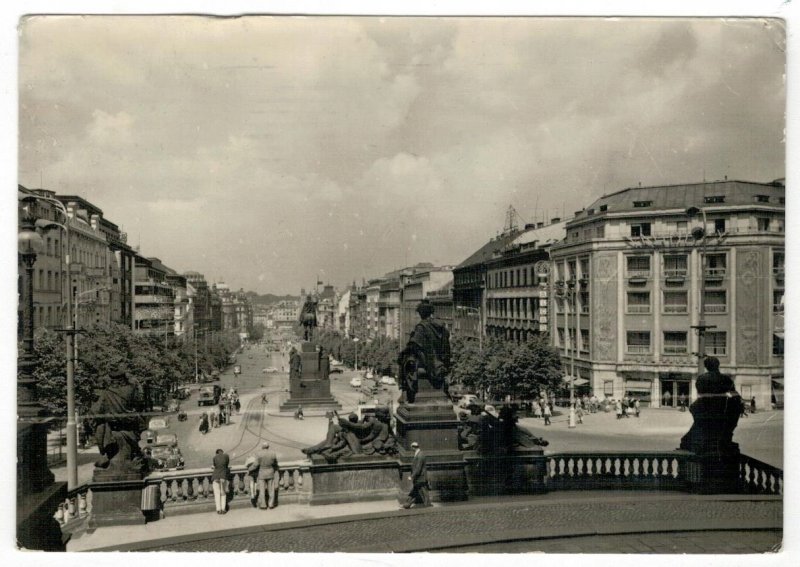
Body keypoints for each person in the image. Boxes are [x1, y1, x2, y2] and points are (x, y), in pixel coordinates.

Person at [397, 299, 451, 403]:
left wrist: (403, 353)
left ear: (421, 314)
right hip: (441, 362)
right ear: (431, 313)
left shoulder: (421, 327)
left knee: (404, 360)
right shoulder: (441, 327)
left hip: (428, 362)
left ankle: (406, 393)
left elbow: (414, 345)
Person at [249, 441, 279, 509]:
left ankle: (263, 505)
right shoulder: (273, 453)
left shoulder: (259, 454)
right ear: (268, 447)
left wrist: (250, 469)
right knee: (271, 490)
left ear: (262, 447)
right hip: (270, 472)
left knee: (262, 490)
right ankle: (271, 504)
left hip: (262, 473)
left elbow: (255, 465)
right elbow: (275, 464)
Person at [402, 441, 430, 509]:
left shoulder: (420, 455)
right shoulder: (418, 454)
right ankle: (408, 504)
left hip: (420, 477)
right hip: (419, 477)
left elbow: (418, 468)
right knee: (418, 491)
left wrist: (412, 476)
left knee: (422, 491)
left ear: (414, 447)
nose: (412, 449)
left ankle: (427, 505)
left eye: (412, 448)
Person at [211, 448, 230, 514]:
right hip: (223, 476)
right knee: (223, 493)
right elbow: (226, 465)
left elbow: (215, 465)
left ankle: (218, 509)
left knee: (217, 493)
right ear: (222, 452)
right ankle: (223, 509)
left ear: (216, 453)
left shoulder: (214, 457)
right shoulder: (226, 456)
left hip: (215, 477)